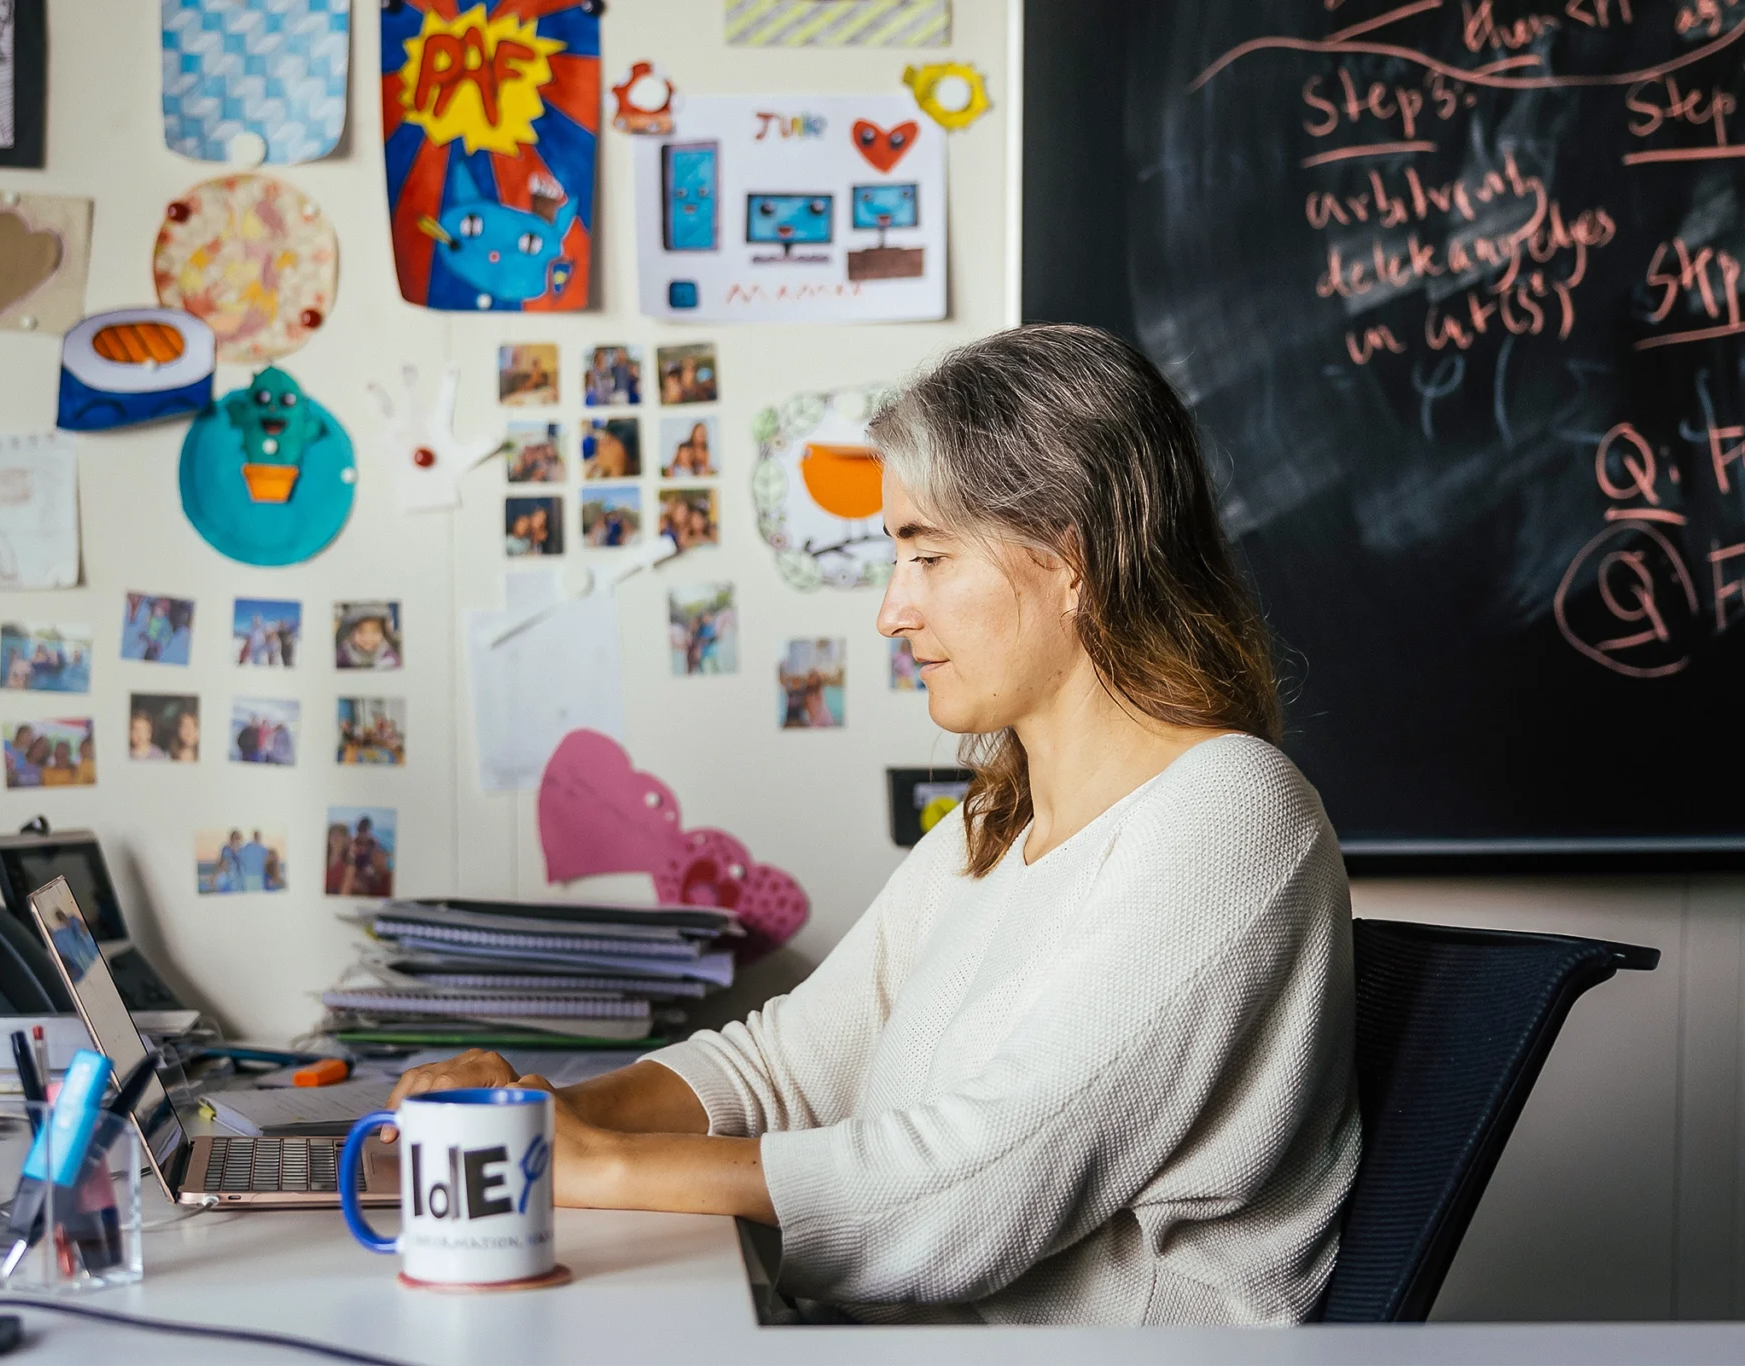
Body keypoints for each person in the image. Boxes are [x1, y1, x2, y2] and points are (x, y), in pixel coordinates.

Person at [383, 325, 1358, 1326]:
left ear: (1070, 557)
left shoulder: (1228, 817)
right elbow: (784, 1067)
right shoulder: (996, 822)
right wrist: (545, 1117)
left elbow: (974, 1195)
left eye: (928, 555)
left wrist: (598, 1165)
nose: (892, 612)